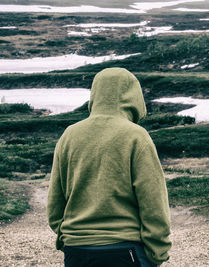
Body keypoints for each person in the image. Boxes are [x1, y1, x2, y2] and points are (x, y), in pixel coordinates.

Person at [47, 68, 172, 267]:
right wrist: (158, 253)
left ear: (95, 94)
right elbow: (153, 202)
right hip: (125, 249)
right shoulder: (136, 136)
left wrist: (68, 237)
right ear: (133, 96)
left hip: (77, 250)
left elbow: (55, 204)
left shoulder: (69, 135)